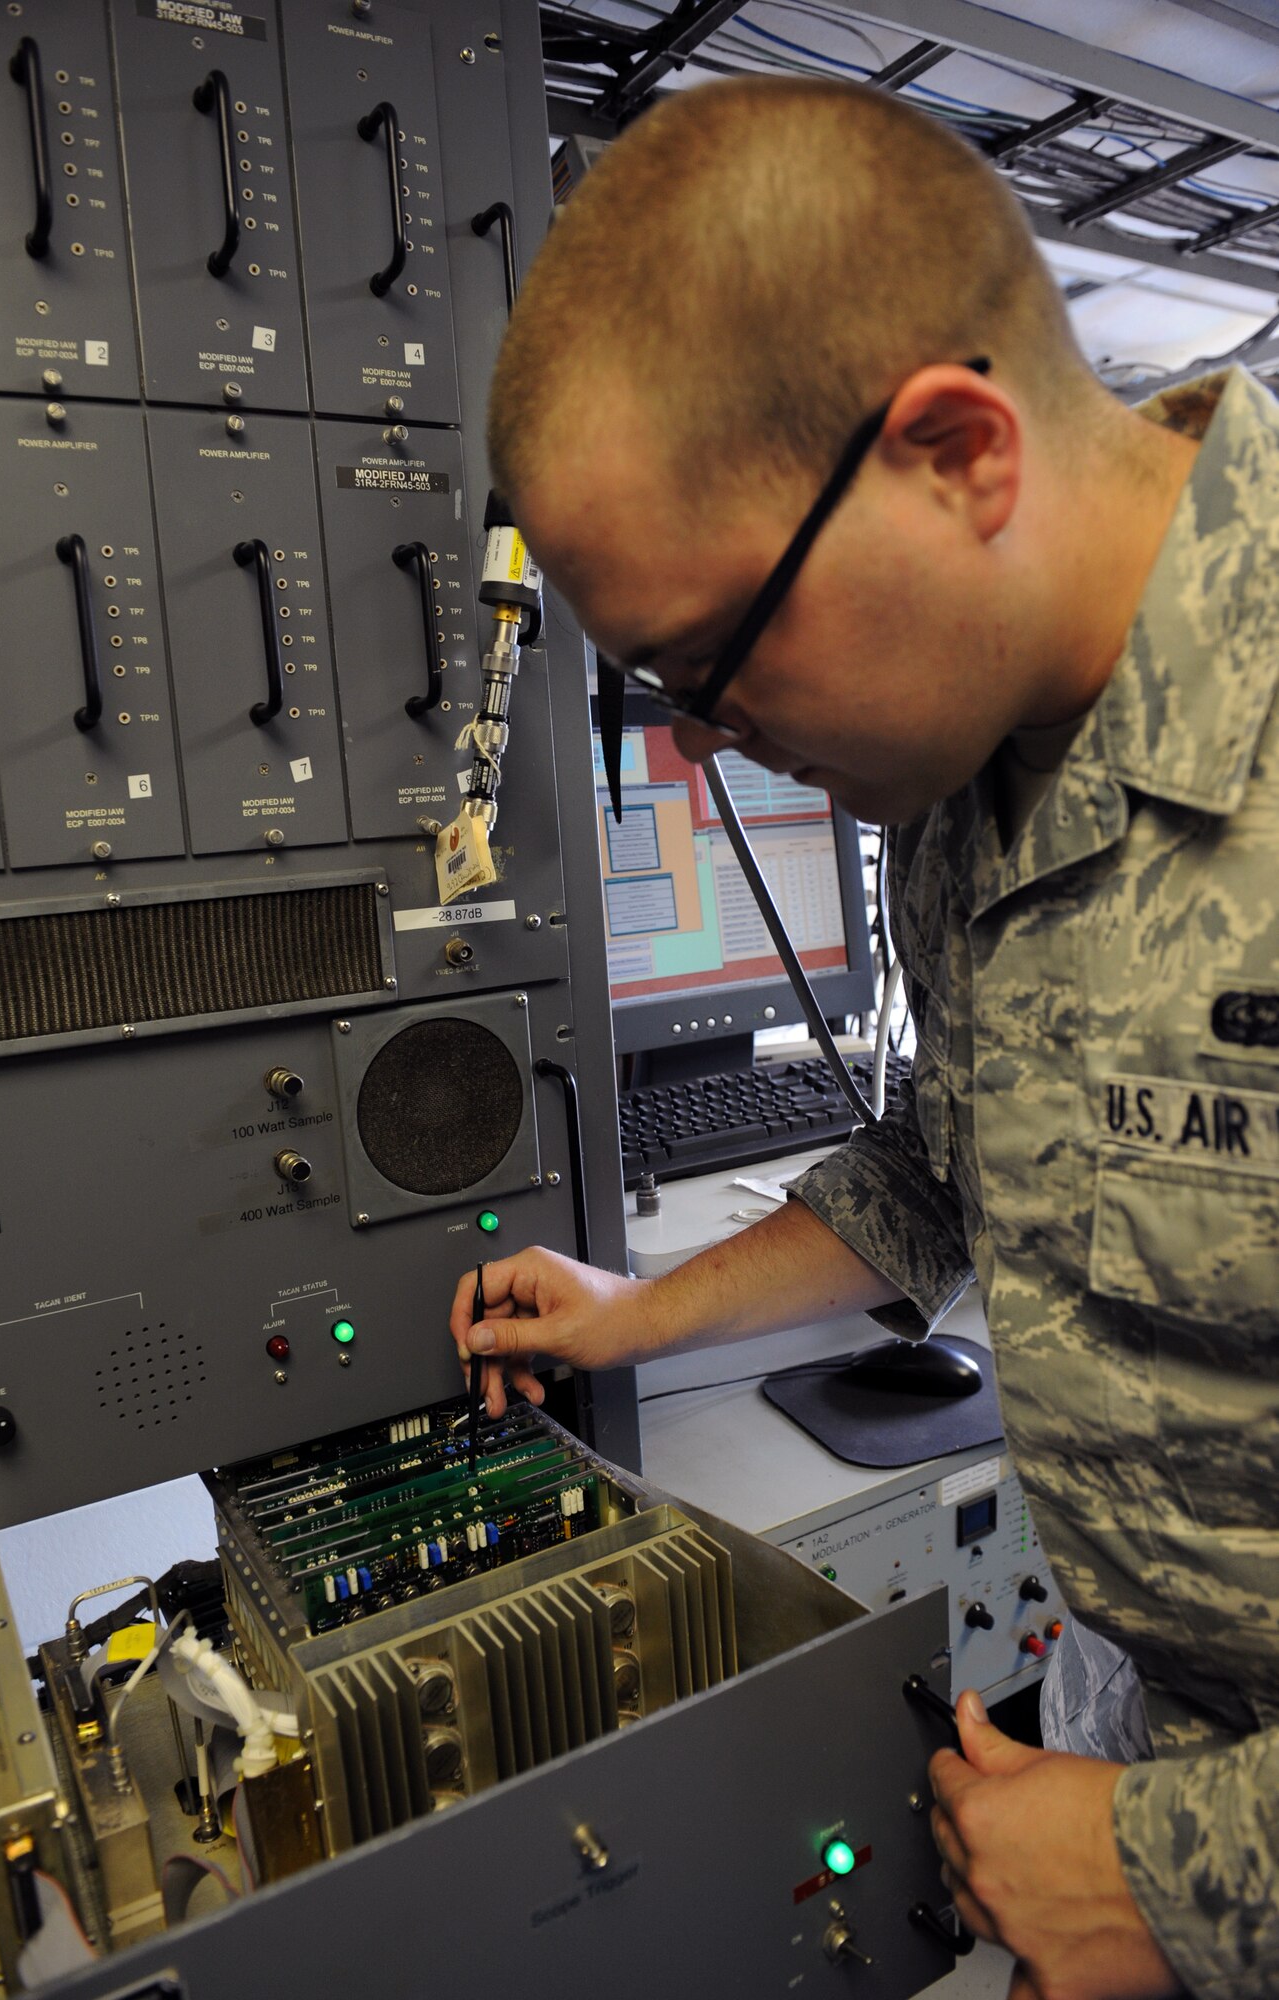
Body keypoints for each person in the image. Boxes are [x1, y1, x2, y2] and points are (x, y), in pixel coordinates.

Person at [449, 74, 1279, 2000]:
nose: (715, 745)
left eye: (719, 668)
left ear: (958, 453)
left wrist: (1189, 1875)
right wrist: (630, 1309)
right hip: (1133, 1722)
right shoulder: (956, 783)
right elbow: (945, 1166)